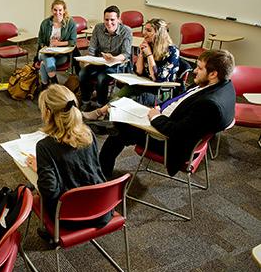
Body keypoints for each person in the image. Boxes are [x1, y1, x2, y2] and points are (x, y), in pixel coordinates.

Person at [99, 49, 236, 178]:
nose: (194, 71)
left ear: (213, 74)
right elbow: (183, 101)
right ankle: (112, 120)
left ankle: (102, 174)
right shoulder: (223, 85)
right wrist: (159, 109)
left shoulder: (209, 104)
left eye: (200, 68)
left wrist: (155, 117)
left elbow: (175, 132)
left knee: (119, 132)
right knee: (141, 98)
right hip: (169, 113)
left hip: (167, 142)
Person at [25, 84, 111, 229]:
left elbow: (49, 193)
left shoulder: (45, 147)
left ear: (47, 112)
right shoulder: (89, 134)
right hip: (102, 209)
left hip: (69, 217)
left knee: (29, 196)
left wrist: (40, 169)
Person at [82, 18, 179, 120]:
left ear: (159, 33)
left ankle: (101, 113)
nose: (144, 33)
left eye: (149, 31)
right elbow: (139, 71)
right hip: (143, 85)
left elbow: (157, 78)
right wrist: (141, 54)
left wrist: (149, 55)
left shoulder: (172, 50)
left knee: (128, 99)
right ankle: (103, 114)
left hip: (159, 91)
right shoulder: (149, 46)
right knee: (121, 95)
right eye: (145, 29)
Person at [78, 5, 132, 109]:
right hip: (99, 61)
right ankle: (86, 101)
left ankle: (100, 105)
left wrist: (114, 59)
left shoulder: (126, 31)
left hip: (116, 64)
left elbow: (126, 54)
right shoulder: (98, 28)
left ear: (119, 20)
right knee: (82, 73)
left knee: (101, 78)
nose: (109, 23)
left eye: (112, 20)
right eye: (106, 19)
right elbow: (92, 48)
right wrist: (88, 60)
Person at [36, 0, 77, 88]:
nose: (57, 12)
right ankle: (56, 84)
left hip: (61, 55)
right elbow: (40, 41)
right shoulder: (45, 23)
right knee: (47, 59)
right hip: (45, 53)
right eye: (55, 10)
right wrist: (45, 47)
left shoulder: (71, 23)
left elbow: (73, 42)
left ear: (64, 10)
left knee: (44, 63)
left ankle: (45, 85)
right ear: (52, 10)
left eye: (60, 10)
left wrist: (58, 43)